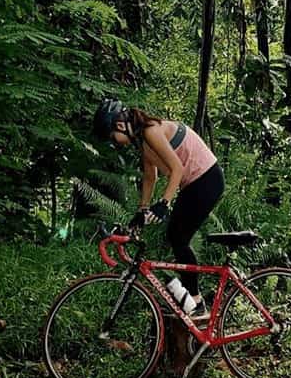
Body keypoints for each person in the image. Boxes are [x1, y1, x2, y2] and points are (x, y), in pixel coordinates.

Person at [92, 99, 224, 317]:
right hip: (195, 183)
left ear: (119, 125)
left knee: (178, 237)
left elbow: (177, 169)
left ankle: (197, 303)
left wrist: (164, 203)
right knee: (175, 237)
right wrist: (142, 210)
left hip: (206, 179)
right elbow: (149, 177)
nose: (115, 142)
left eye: (112, 137)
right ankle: (192, 300)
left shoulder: (151, 131)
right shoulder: (143, 140)